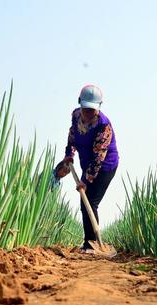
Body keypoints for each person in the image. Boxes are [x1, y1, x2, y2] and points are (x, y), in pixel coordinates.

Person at [55, 85, 119, 252]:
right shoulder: (76, 115)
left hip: (105, 166)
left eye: (92, 109)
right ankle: (89, 243)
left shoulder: (103, 126)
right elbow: (72, 135)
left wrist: (85, 180)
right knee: (85, 202)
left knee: (90, 201)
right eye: (86, 109)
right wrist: (69, 154)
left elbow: (98, 158)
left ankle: (91, 244)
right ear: (80, 104)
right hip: (87, 163)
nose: (89, 113)